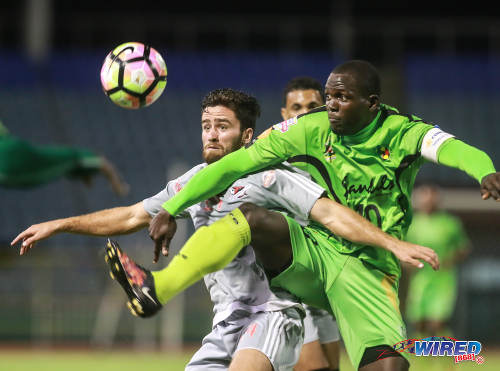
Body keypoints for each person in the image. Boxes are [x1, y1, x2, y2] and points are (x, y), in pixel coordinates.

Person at [12, 88, 435, 371]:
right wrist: (59, 224)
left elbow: (330, 215)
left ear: (247, 135)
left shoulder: (275, 176)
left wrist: (390, 243)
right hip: (225, 321)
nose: (211, 135)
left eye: (222, 127)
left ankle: (158, 289)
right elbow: (129, 217)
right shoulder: (192, 183)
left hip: (276, 313)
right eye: (206, 126)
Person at [136, 60, 498, 370]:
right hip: (317, 250)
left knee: (389, 363)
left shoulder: (405, 133)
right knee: (253, 217)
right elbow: (236, 164)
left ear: (371, 103)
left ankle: (449, 356)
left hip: (369, 271)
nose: (332, 105)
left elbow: (455, 150)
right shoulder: (310, 128)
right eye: (328, 97)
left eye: (342, 98)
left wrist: (484, 171)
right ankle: (160, 287)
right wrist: (171, 207)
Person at [281, 76, 341, 371]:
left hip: (327, 283)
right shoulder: (271, 161)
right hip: (289, 286)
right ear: (285, 115)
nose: (304, 113)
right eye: (296, 107)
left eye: (312, 106)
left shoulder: (340, 159)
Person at [405, 184, 471, 339]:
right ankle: (423, 356)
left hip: (442, 279)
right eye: (424, 199)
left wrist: (450, 260)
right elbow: (404, 249)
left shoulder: (450, 223)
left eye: (431, 199)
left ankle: (443, 354)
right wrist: (408, 264)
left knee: (437, 321)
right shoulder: (412, 224)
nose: (427, 203)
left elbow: (463, 248)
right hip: (419, 279)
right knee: (418, 321)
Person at [0, 119, 129, 196]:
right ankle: (113, 182)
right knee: (75, 158)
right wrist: (117, 185)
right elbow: (100, 162)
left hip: (10, 154)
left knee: (71, 159)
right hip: (9, 156)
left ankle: (89, 170)